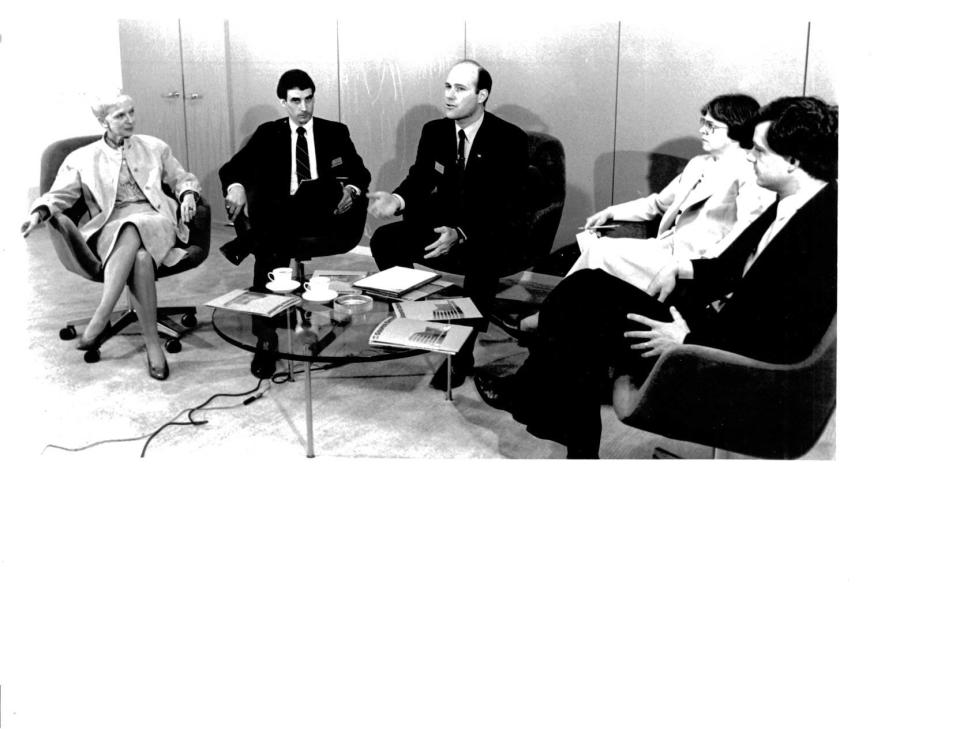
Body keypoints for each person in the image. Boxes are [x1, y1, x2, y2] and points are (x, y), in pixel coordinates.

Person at [474, 96, 838, 458]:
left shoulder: (821, 230)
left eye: (759, 150)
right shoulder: (794, 200)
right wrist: (685, 268)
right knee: (584, 287)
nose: (750, 155)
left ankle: (555, 421)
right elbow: (731, 268)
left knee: (583, 317)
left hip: (727, 358)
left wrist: (690, 337)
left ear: (793, 160)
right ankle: (563, 425)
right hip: (715, 326)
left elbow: (783, 334)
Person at [519, 94, 773, 334]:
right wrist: (609, 212)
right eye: (702, 122)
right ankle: (554, 316)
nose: (702, 130)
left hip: (695, 266)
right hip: (666, 249)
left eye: (711, 125)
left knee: (602, 256)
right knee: (599, 249)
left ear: (737, 128)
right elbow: (658, 204)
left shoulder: (750, 172)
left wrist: (701, 267)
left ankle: (549, 319)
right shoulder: (700, 164)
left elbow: (746, 233)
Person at [367, 59, 529, 389]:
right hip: (442, 227)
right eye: (447, 87)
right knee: (384, 240)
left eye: (460, 89)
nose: (450, 96)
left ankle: (461, 352)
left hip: (486, 231)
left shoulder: (508, 138)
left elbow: (508, 205)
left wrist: (462, 233)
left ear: (482, 95)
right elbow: (420, 178)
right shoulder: (435, 131)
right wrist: (397, 201)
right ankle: (416, 316)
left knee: (484, 262)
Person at [21, 92, 201, 381]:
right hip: (109, 227)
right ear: (103, 121)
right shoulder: (81, 158)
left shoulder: (155, 147)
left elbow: (182, 178)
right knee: (139, 256)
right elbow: (58, 196)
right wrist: (37, 214)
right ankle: (153, 345)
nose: (129, 120)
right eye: (120, 116)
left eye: (131, 112)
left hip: (156, 220)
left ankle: (102, 315)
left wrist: (188, 194)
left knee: (134, 225)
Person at [219, 68, 371, 378]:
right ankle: (266, 338)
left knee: (316, 193)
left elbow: (359, 173)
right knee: (277, 227)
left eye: (309, 99)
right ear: (283, 102)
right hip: (282, 216)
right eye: (296, 101)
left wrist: (351, 190)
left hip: (326, 215)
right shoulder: (268, 133)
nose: (304, 108)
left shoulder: (335, 132)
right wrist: (235, 185)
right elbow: (232, 169)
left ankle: (248, 243)